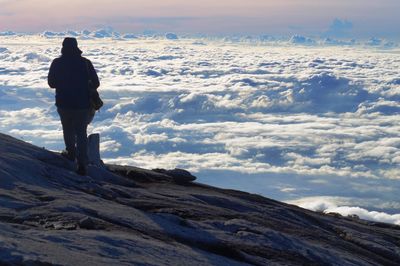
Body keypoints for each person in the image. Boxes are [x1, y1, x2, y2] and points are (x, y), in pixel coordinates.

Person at [48, 37, 100, 176]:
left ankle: (71, 153)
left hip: (64, 103)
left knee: (68, 129)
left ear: (63, 47)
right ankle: (82, 164)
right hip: (82, 104)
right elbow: (96, 84)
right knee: (81, 133)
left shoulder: (57, 63)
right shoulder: (85, 63)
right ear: (76, 47)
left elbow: (51, 83)